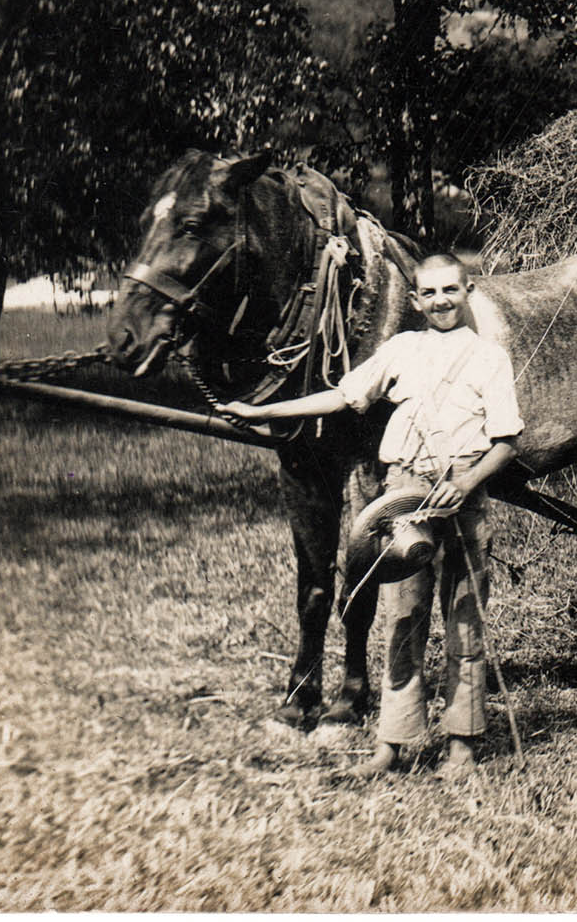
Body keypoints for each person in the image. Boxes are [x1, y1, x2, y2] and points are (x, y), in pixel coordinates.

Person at [221, 253, 522, 777]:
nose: (441, 301)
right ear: (415, 301)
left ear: (468, 290)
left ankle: (461, 746)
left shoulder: (489, 358)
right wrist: (264, 411)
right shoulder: (402, 349)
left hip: (463, 497)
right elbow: (341, 398)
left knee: (464, 620)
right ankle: (392, 744)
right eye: (429, 294)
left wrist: (467, 483)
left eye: (450, 290)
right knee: (402, 618)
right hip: (403, 497)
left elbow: (507, 442)